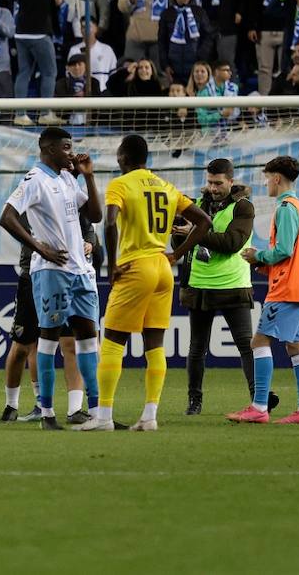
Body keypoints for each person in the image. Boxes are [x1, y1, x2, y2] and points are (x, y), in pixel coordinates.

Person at [84, 134, 210, 431]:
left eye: (118, 155)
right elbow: (204, 221)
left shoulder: (121, 184)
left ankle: (103, 417)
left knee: (113, 341)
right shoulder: (166, 187)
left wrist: (113, 266)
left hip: (135, 267)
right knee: (155, 345)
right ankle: (149, 416)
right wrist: (176, 254)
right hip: (163, 269)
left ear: (124, 157)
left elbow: (110, 221)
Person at [0, 127, 104, 430]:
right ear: (49, 148)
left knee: (87, 339)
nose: (72, 152)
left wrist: (89, 176)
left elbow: (95, 216)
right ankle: (47, 414)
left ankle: (97, 413)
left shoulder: (69, 178)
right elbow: (7, 216)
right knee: (47, 340)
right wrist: (39, 247)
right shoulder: (35, 180)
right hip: (52, 272)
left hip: (82, 270)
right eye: (67, 147)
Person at [176, 159, 274, 416]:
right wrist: (183, 233)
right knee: (197, 347)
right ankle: (194, 402)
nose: (213, 188)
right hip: (199, 284)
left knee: (246, 345)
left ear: (231, 182)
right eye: (209, 182)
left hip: (233, 285)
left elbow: (232, 242)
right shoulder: (196, 205)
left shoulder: (244, 207)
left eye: (218, 183)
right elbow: (180, 237)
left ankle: (259, 399)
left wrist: (194, 232)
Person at [230, 156, 299, 425]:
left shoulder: (286, 208)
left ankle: (259, 406)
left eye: (267, 177)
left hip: (287, 289)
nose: (266, 182)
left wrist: (259, 256)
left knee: (258, 342)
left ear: (277, 178)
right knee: (296, 346)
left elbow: (283, 250)